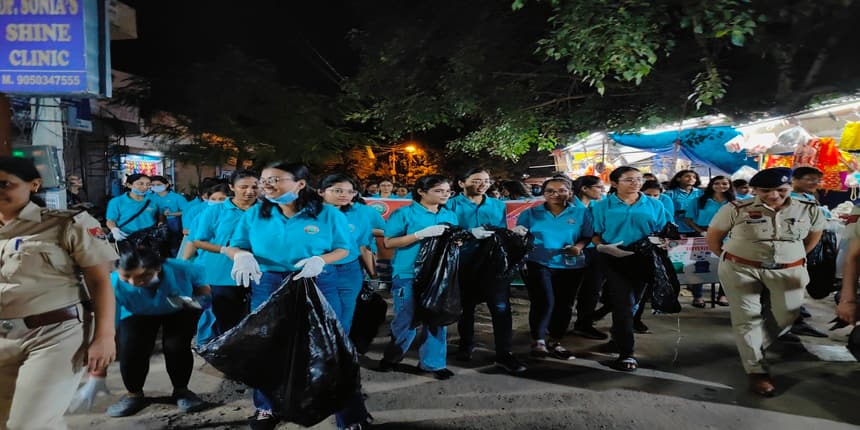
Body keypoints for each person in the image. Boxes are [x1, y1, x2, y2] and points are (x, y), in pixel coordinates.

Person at [221, 162, 369, 430]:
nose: (266, 186)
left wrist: (320, 260)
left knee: (331, 348)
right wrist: (240, 255)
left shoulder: (327, 214)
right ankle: (266, 408)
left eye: (275, 180)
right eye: (264, 181)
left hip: (317, 281)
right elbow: (235, 245)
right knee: (267, 346)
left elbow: (343, 250)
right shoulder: (256, 214)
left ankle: (349, 416)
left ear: (300, 184)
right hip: (269, 283)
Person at [0, 156, 117, 429]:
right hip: (3, 337)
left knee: (28, 424)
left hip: (55, 335)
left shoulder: (67, 223)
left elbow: (100, 282)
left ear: (34, 185)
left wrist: (104, 336)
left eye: (5, 184)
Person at [707, 167, 824, 396]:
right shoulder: (736, 208)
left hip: (789, 271)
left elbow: (813, 238)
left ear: (790, 186)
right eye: (765, 190)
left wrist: (791, 258)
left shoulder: (809, 209)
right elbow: (714, 238)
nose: (773, 196)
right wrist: (732, 257)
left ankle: (753, 344)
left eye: (781, 190)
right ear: (754, 190)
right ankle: (756, 370)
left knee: (786, 315)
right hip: (740, 269)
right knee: (746, 319)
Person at [106, 242, 209, 417]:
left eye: (143, 276)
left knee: (176, 346)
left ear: (158, 268)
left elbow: (204, 291)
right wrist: (107, 339)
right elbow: (109, 317)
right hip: (136, 311)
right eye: (127, 277)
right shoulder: (113, 281)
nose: (134, 282)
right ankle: (133, 394)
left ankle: (182, 391)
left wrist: (191, 303)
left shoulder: (183, 268)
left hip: (179, 309)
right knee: (131, 348)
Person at [378, 175, 459, 380]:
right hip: (407, 273)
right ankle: (392, 357)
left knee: (436, 319)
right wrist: (420, 235)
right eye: (439, 191)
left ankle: (432, 364)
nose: (445, 195)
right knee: (406, 319)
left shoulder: (450, 215)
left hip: (439, 275)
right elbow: (389, 243)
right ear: (422, 192)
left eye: (447, 191)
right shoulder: (404, 214)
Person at [591, 166, 671, 372]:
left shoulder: (654, 204)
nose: (635, 183)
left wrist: (664, 242)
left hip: (644, 258)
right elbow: (595, 233)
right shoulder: (601, 206)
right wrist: (602, 246)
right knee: (624, 304)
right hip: (613, 256)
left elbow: (663, 231)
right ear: (615, 183)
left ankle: (618, 336)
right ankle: (627, 353)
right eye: (628, 179)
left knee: (634, 302)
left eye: (638, 179)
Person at [447, 168, 527, 373]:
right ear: (461, 183)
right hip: (462, 264)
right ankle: (466, 344)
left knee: (500, 308)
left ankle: (504, 353)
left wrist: (512, 234)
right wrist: (468, 235)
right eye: (476, 180)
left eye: (486, 180)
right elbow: (447, 233)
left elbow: (499, 232)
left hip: (492, 265)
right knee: (466, 308)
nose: (483, 184)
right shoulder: (450, 204)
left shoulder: (498, 205)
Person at [515, 177, 594, 360]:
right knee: (544, 301)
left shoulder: (581, 214)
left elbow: (587, 236)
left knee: (565, 304)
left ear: (570, 193)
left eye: (561, 190)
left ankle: (555, 340)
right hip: (538, 263)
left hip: (571, 265)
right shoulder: (531, 213)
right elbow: (519, 237)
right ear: (543, 193)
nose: (555, 194)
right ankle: (539, 340)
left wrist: (578, 247)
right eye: (550, 191)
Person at [188, 172, 259, 338]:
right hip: (222, 274)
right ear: (232, 187)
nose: (249, 191)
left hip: (258, 272)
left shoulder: (266, 211)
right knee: (224, 320)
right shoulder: (216, 211)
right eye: (244, 187)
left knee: (254, 317)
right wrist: (225, 250)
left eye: (254, 187)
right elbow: (198, 240)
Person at [317, 173, 377, 335]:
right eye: (337, 190)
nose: (344, 195)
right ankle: (325, 355)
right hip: (321, 270)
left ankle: (342, 355)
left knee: (346, 315)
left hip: (351, 270)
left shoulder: (359, 215)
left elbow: (364, 247)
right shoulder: (308, 215)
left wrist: (373, 276)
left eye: (350, 191)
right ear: (321, 192)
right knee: (330, 314)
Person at [788, 166, 832, 338]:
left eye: (817, 179)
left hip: (805, 248)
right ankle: (790, 323)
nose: (815, 182)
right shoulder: (786, 197)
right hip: (791, 248)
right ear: (795, 179)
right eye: (810, 178)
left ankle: (794, 318)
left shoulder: (809, 196)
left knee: (797, 285)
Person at [567, 175, 609, 339]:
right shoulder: (568, 207)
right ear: (584, 189)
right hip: (572, 251)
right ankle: (556, 323)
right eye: (599, 187)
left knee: (592, 291)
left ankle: (584, 324)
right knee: (568, 291)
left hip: (594, 251)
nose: (602, 191)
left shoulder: (597, 206)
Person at [683, 176, 734, 307]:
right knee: (699, 266)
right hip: (702, 234)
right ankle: (698, 296)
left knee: (726, 267)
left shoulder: (734, 202)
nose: (720, 186)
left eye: (724, 183)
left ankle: (723, 295)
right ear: (711, 185)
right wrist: (700, 231)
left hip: (728, 236)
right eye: (717, 183)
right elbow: (688, 219)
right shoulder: (699, 201)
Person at [105, 174, 159, 240]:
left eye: (148, 184)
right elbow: (111, 220)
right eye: (140, 183)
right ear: (129, 185)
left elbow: (162, 214)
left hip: (149, 237)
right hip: (126, 236)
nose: (145, 187)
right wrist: (115, 230)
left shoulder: (154, 199)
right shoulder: (116, 201)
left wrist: (161, 224)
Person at [149, 176, 188, 256]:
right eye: (153, 185)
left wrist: (171, 214)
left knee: (173, 245)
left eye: (158, 184)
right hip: (155, 223)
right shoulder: (151, 197)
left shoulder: (177, 197)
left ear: (166, 185)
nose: (155, 187)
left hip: (173, 222)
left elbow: (186, 211)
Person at [664, 170, 703, 237]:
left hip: (697, 228)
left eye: (694, 177)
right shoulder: (669, 194)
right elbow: (665, 212)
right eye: (687, 176)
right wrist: (682, 212)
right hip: (677, 229)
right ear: (678, 179)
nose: (691, 178)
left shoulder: (701, 193)